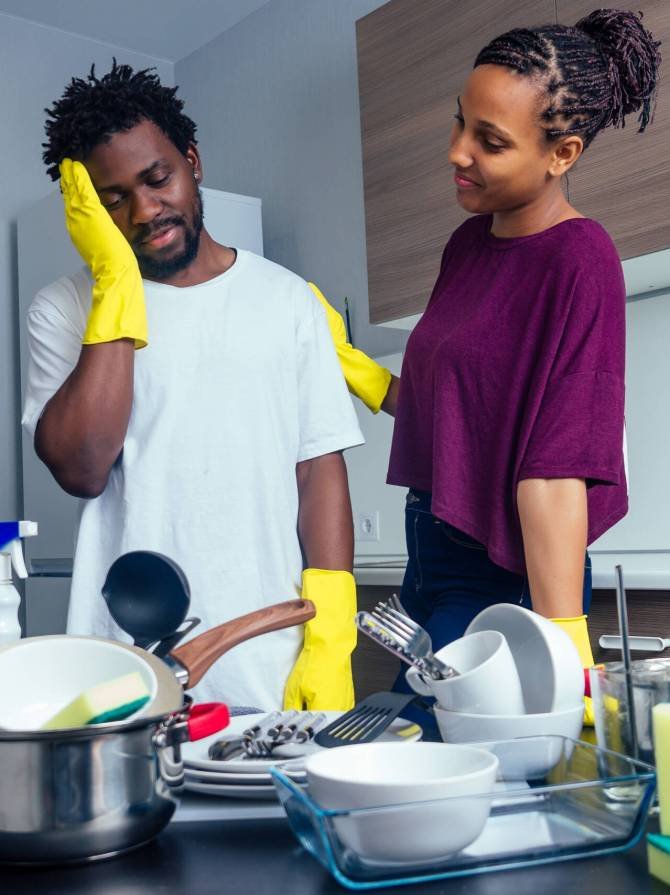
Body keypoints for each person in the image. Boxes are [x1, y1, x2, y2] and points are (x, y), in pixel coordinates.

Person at [313, 9, 662, 720]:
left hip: (505, 571)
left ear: (561, 153)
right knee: (403, 745)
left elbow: (556, 464)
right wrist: (358, 370)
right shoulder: (467, 246)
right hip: (431, 552)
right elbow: (463, 409)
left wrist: (566, 651)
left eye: (490, 141)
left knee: (435, 754)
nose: (457, 152)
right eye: (460, 122)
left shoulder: (580, 260)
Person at [22, 63, 364, 711]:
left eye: (158, 178)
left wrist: (331, 630)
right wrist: (116, 285)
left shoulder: (286, 300)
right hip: (122, 658)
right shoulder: (64, 309)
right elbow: (82, 467)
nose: (146, 209)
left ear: (193, 161)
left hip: (269, 648)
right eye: (114, 197)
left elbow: (318, 468)